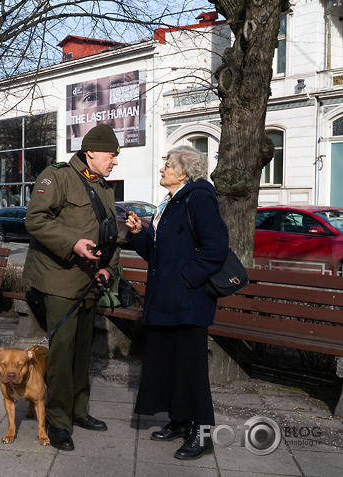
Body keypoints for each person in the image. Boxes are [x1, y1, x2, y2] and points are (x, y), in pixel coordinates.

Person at [21, 124, 121, 451]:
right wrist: (73, 242)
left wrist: (109, 268)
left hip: (89, 282)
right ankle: (58, 421)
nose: (115, 161)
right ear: (91, 152)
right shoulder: (58, 176)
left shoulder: (103, 186)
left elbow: (108, 234)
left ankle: (79, 410)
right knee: (62, 355)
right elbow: (36, 219)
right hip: (59, 279)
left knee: (81, 353)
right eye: (111, 154)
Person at [125, 145, 228, 460]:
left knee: (191, 369)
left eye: (167, 165)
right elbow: (157, 255)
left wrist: (186, 280)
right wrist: (137, 234)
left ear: (183, 171)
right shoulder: (168, 203)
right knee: (169, 364)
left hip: (188, 303)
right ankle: (180, 421)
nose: (161, 169)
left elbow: (216, 248)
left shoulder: (199, 198)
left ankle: (203, 433)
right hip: (164, 301)